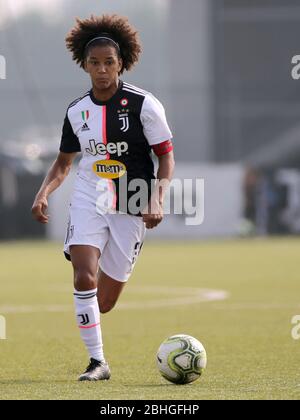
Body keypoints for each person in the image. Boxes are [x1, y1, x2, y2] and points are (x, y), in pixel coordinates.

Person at [31, 14, 175, 381]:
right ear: (84, 64)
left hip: (132, 200)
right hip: (88, 196)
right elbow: (64, 163)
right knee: (83, 277)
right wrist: (43, 193)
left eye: (108, 62)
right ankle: (98, 362)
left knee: (105, 302)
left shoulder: (145, 105)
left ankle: (93, 331)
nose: (101, 70)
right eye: (94, 63)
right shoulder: (77, 111)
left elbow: (166, 155)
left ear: (121, 62)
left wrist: (157, 197)